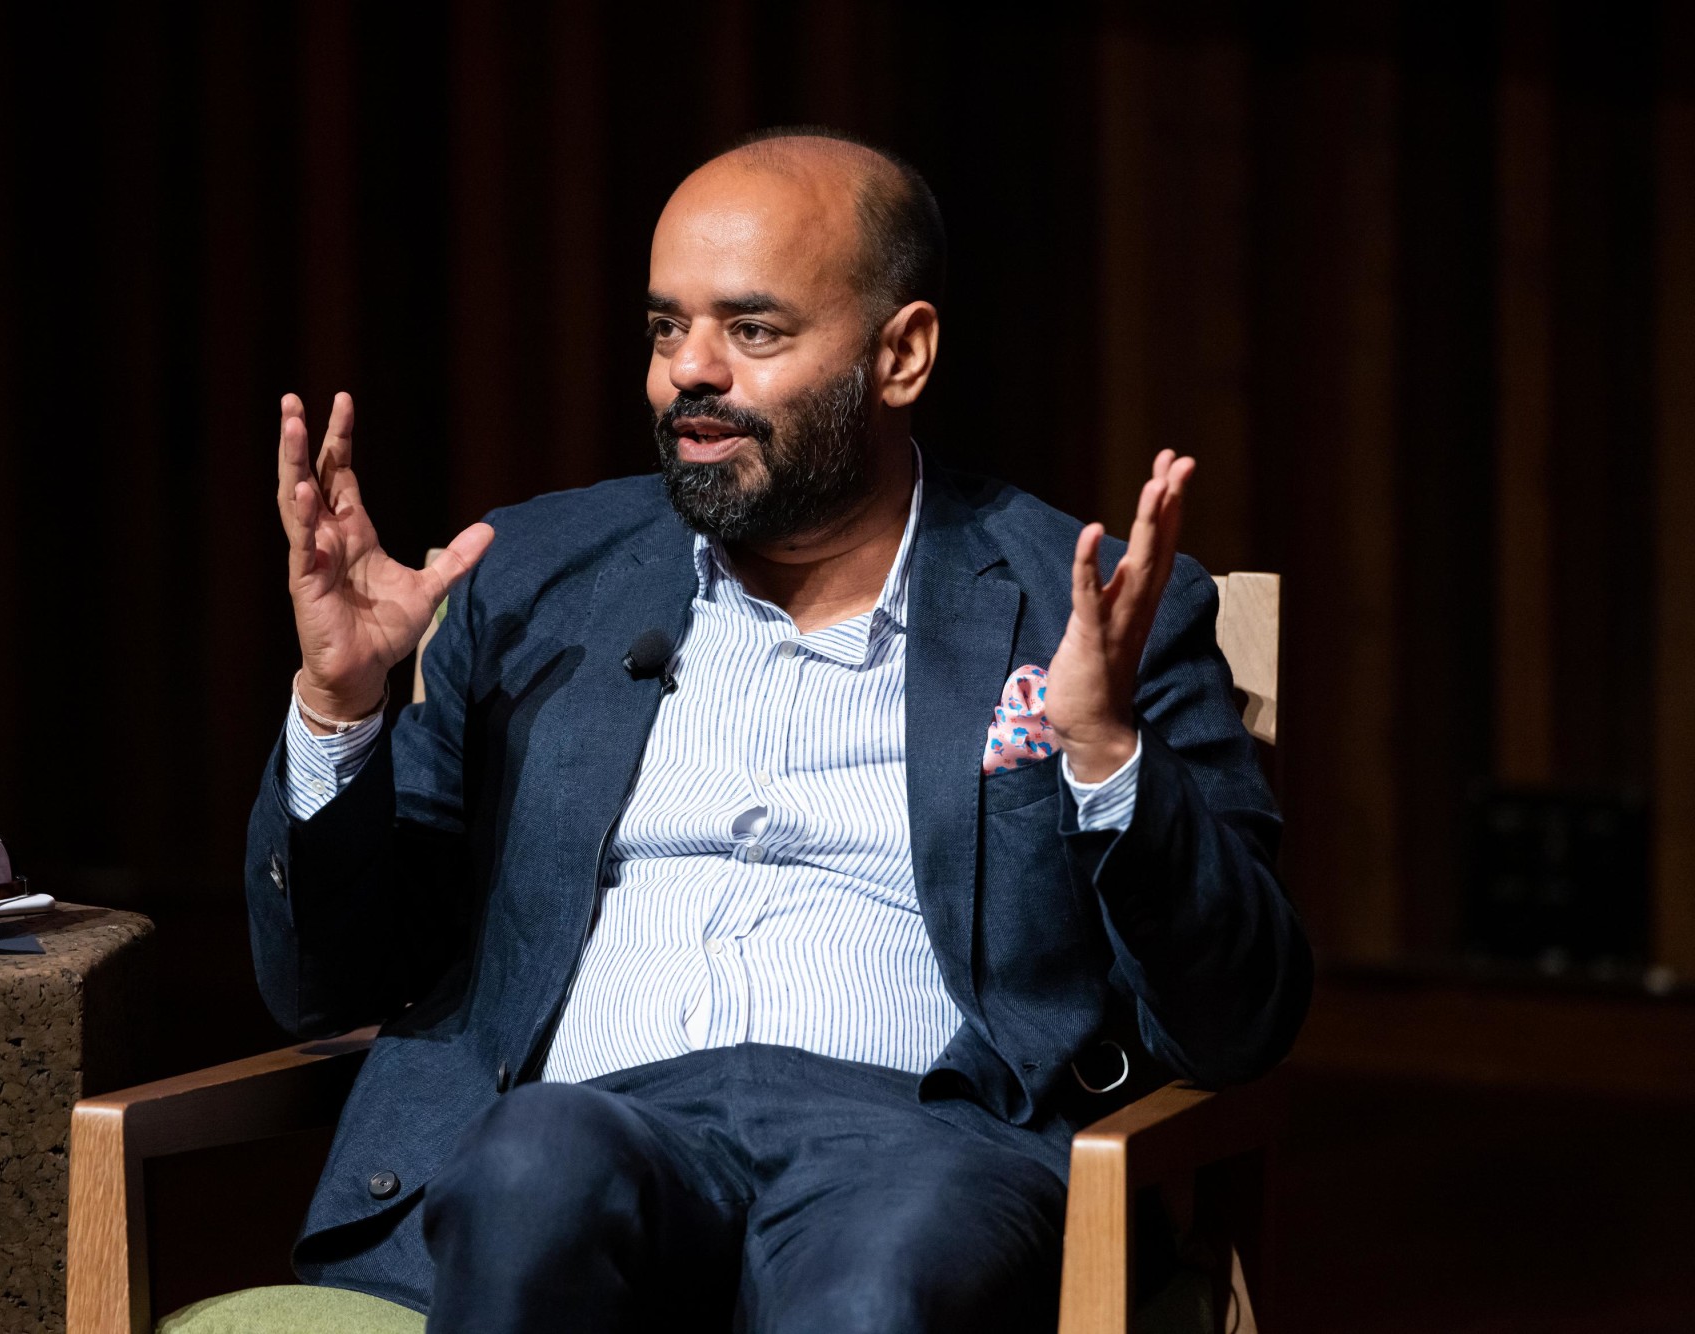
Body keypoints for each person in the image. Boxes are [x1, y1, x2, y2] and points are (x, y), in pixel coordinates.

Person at [246, 127, 1312, 1333]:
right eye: (663, 327)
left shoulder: (1085, 609)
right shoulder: (537, 579)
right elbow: (326, 984)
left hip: (918, 1144)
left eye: (750, 331)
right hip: (593, 1137)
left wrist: (1107, 754)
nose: (685, 372)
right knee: (534, 1155)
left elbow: (1238, 1015)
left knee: (873, 1273)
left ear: (899, 353)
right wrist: (341, 706)